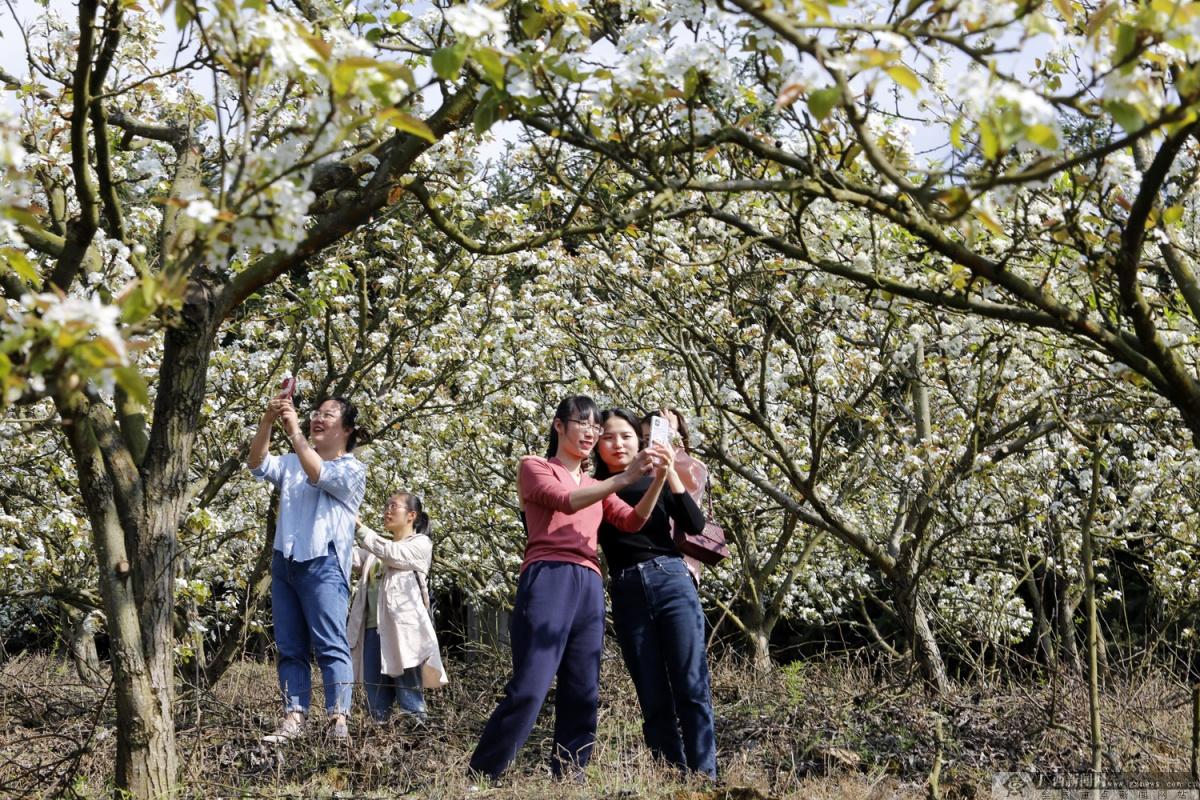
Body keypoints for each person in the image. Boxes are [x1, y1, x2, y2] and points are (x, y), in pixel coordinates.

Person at [468, 395, 675, 781]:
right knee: (531, 683)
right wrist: (624, 477)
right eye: (582, 422)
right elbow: (564, 501)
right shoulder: (535, 467)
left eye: (595, 426)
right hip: (548, 574)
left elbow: (632, 521)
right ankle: (484, 772)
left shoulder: (597, 484)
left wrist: (659, 475)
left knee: (583, 686)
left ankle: (570, 775)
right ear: (559, 425)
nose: (590, 432)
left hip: (590, 581)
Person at [595, 409, 718, 778]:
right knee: (650, 690)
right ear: (596, 444)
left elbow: (695, 525)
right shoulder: (594, 486)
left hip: (670, 578)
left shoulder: (659, 476)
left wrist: (669, 476)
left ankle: (704, 777)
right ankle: (669, 774)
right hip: (627, 586)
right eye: (608, 437)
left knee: (690, 682)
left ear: (640, 440)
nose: (618, 443)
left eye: (626, 436)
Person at [248, 389, 366, 742]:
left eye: (328, 415)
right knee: (290, 646)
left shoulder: (352, 470)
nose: (318, 417)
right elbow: (256, 464)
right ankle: (294, 718)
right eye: (316, 412)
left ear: (346, 430)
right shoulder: (291, 462)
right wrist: (269, 419)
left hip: (324, 563)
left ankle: (338, 720)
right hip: (285, 562)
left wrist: (295, 430)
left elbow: (317, 474)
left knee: (331, 645)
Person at [348, 491, 448, 722]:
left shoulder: (420, 545)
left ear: (412, 515)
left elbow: (393, 554)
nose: (387, 511)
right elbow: (348, 557)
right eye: (386, 506)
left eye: (394, 506)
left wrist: (359, 527)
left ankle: (416, 749)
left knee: (409, 699)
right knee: (375, 702)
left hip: (404, 633)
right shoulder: (375, 552)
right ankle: (379, 748)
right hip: (372, 631)